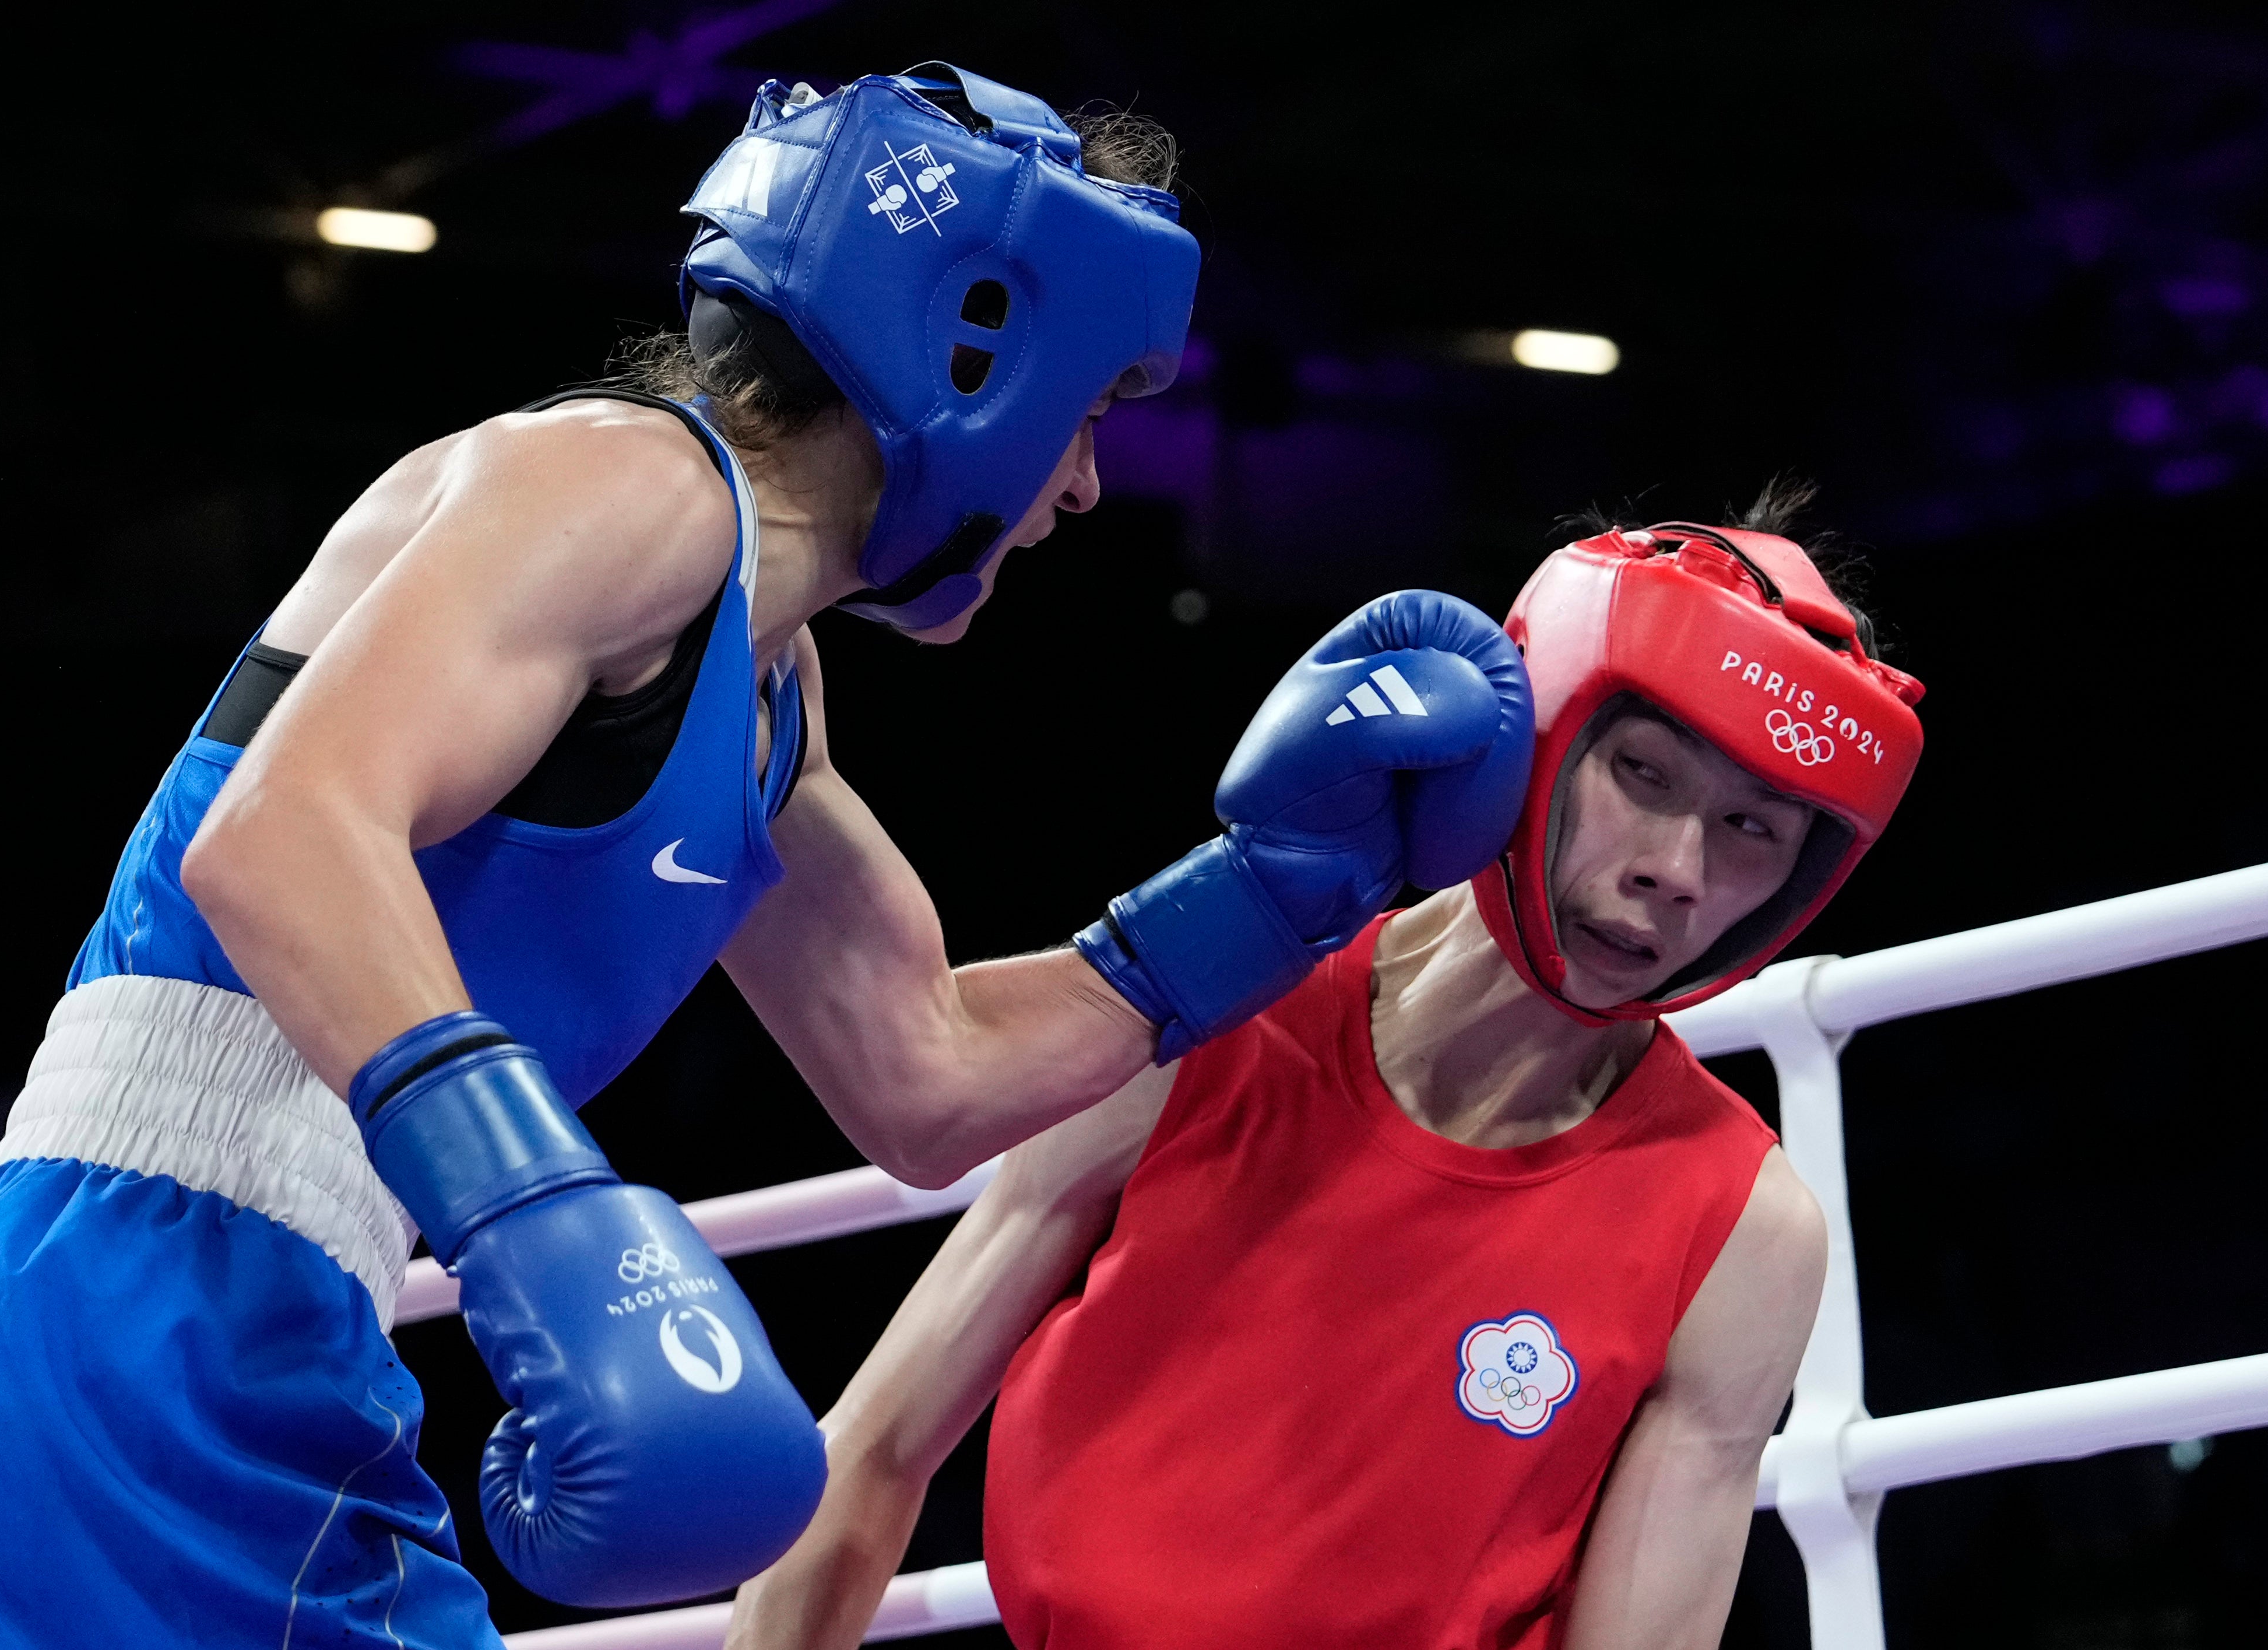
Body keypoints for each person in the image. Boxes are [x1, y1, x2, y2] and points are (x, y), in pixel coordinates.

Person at [0, 65, 1535, 1650]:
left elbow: (923, 1072)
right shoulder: (619, 483)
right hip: (140, 1317)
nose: (1086, 488)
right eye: (1086, 412)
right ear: (975, 349)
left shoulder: (763, 687)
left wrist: (1279, 885)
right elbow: (280, 838)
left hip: (199, 1327)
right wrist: (544, 1216)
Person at [725, 498, 1930, 1650]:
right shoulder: (1211, 1006)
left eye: (1750, 829)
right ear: (1545, 729)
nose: (1675, 868)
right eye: (1645, 775)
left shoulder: (1737, 1229)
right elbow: (874, 1451)